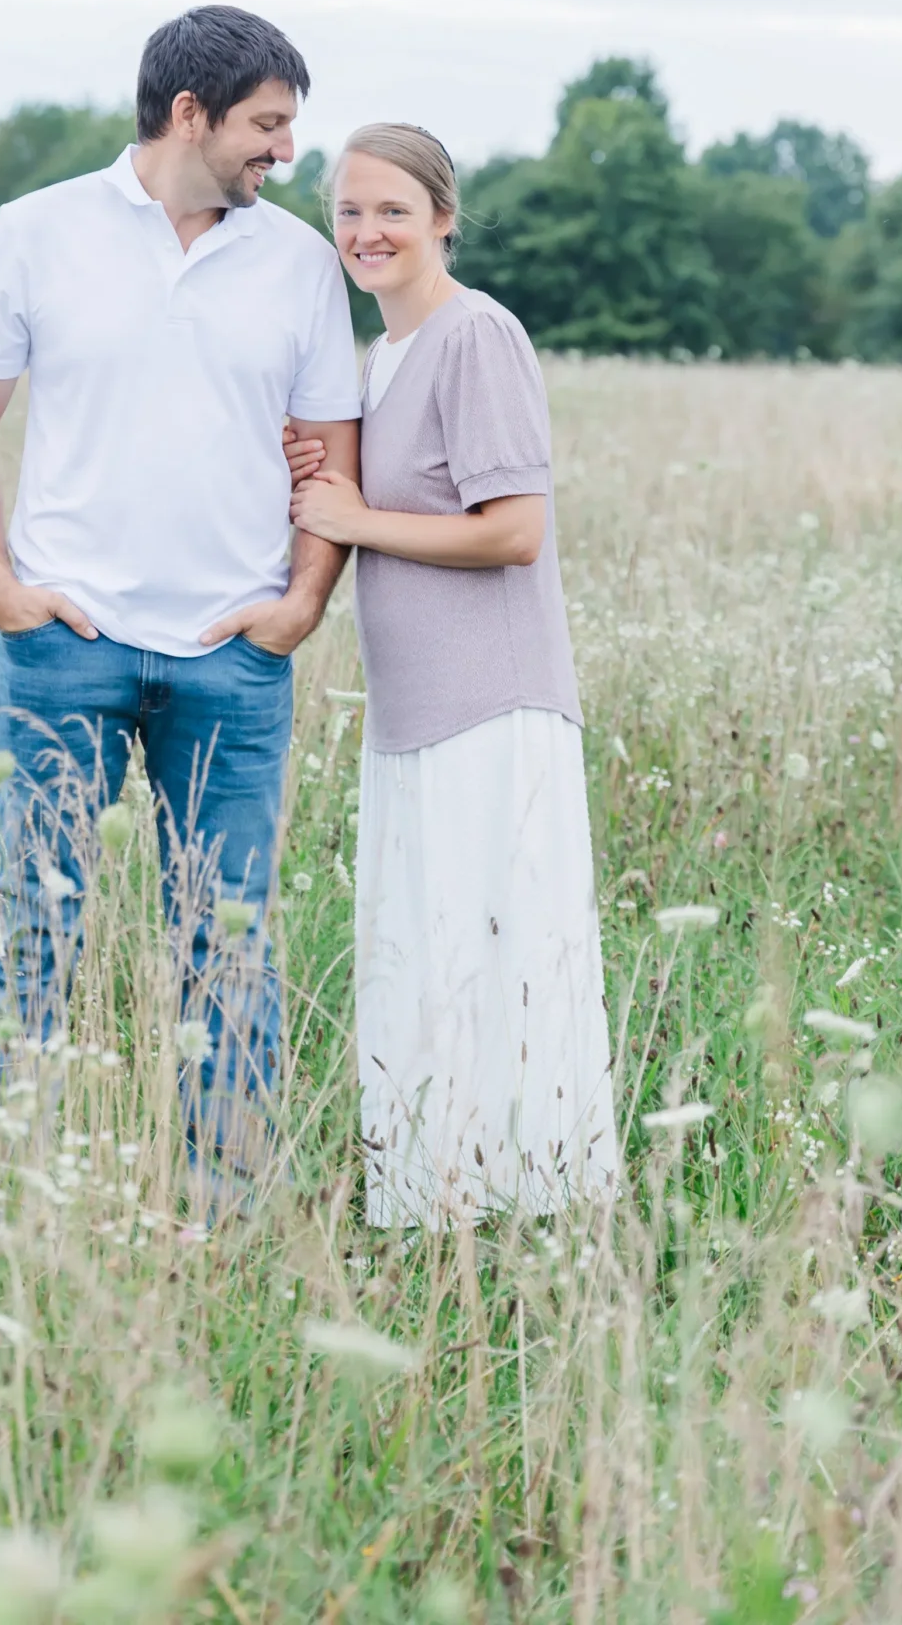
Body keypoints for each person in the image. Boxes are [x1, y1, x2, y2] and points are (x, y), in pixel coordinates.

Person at [0, 6, 362, 1185]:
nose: (285, 151)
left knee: (231, 943)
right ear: (189, 112)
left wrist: (301, 606)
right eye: (266, 125)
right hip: (64, 646)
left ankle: (231, 1210)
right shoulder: (36, 231)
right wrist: (0, 588)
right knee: (33, 934)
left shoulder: (299, 263)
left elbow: (335, 455)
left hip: (233, 658)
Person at [287, 123, 617, 1224]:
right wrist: (324, 486)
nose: (366, 232)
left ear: (441, 217)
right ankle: (442, 1209)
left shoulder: (478, 334)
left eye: (392, 210)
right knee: (427, 965)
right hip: (413, 713)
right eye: (348, 211)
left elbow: (513, 530)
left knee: (500, 966)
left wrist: (355, 518)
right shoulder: (382, 358)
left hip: (491, 708)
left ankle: (542, 1212)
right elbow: (375, 500)